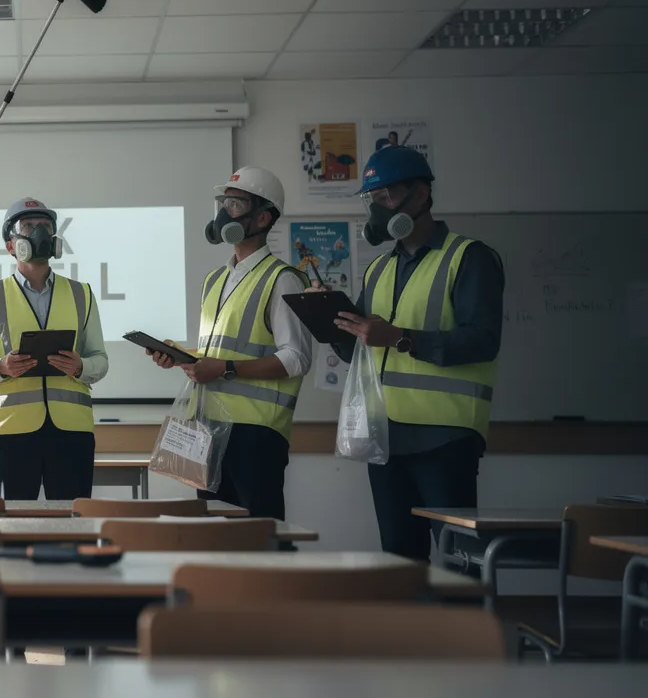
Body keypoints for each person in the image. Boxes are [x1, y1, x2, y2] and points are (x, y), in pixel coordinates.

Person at [318, 146, 503, 562]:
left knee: (460, 560)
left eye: (385, 197)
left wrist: (401, 337)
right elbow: (362, 349)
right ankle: (410, 629)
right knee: (399, 559)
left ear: (421, 196)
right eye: (372, 201)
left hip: (446, 437)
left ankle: (465, 630)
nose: (377, 211)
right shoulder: (379, 269)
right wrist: (329, 322)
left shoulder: (469, 258)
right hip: (385, 438)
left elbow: (482, 340)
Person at [148, 168, 313, 520]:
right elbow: (218, 354)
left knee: (257, 535)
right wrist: (181, 358)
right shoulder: (216, 279)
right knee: (211, 533)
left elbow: (297, 358)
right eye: (223, 203)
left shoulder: (283, 280)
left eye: (235, 204)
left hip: (256, 433)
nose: (224, 213)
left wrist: (223, 368)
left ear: (263, 217)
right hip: (207, 428)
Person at [0, 198, 108, 500]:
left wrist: (81, 367)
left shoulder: (82, 294)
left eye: (45, 227)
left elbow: (101, 360)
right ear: (10, 245)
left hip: (71, 432)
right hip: (10, 432)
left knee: (73, 525)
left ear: (55, 240)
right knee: (12, 527)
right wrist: (0, 368)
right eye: (27, 227)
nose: (38, 233)